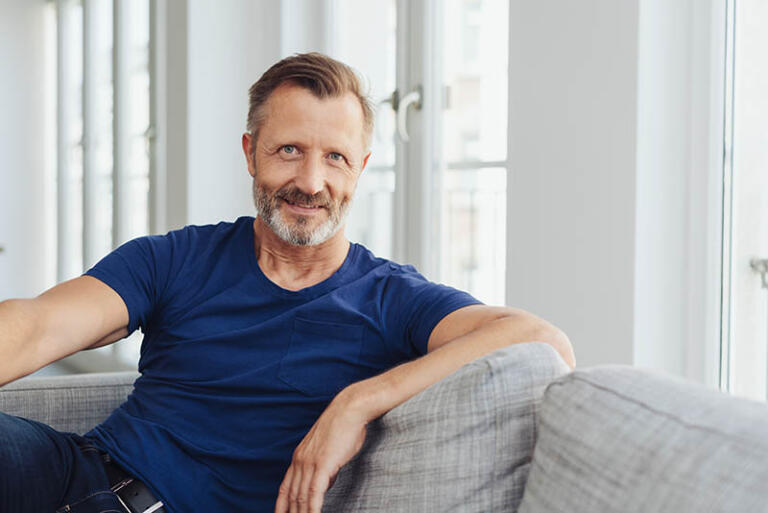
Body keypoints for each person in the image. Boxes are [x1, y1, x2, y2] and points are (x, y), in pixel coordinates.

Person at [0, 52, 574, 513]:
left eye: (335, 158)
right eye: (290, 150)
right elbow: (35, 326)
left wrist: (357, 402)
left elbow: (543, 341)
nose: (311, 180)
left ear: (361, 169)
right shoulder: (176, 257)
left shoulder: (392, 298)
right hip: (75, 472)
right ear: (251, 153)